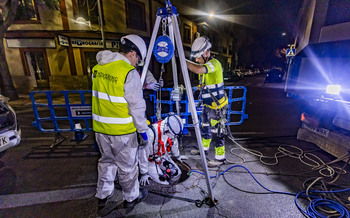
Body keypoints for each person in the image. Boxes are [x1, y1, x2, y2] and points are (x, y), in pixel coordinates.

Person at [92, 34, 149, 215]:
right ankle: (131, 197)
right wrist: (143, 130)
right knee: (127, 167)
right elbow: (137, 107)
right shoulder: (129, 73)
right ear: (132, 53)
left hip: (100, 130)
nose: (137, 63)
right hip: (122, 131)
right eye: (138, 59)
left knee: (106, 162)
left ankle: (102, 195)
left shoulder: (99, 68)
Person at [186, 36, 228, 168]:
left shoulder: (214, 64)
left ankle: (220, 158)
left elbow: (198, 69)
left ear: (206, 53)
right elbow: (206, 85)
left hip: (217, 107)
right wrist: (195, 88)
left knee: (217, 132)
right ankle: (204, 150)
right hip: (207, 105)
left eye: (198, 57)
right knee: (205, 128)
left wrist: (182, 60)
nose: (197, 60)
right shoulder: (205, 66)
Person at [138, 113, 184, 186]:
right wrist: (144, 173)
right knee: (163, 182)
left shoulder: (169, 130)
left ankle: (171, 183)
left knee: (177, 173)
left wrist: (177, 157)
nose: (172, 137)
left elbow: (174, 142)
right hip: (150, 161)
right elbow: (142, 153)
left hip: (162, 156)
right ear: (167, 129)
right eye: (171, 134)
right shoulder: (151, 133)